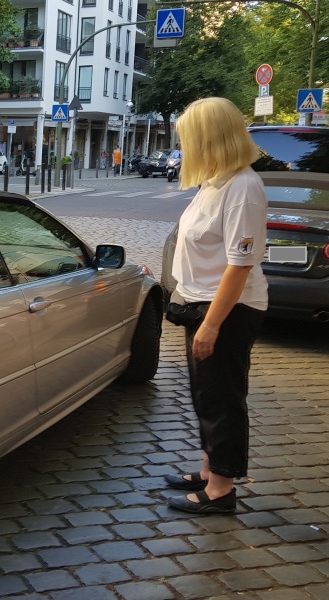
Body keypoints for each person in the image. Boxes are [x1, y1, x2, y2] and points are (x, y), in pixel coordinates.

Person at [164, 97, 268, 515]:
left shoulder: (242, 188)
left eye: (190, 139)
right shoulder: (216, 181)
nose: (186, 148)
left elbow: (239, 267)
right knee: (206, 395)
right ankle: (211, 469)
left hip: (227, 310)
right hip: (203, 305)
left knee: (222, 398)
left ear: (210, 138)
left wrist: (210, 326)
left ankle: (222, 489)